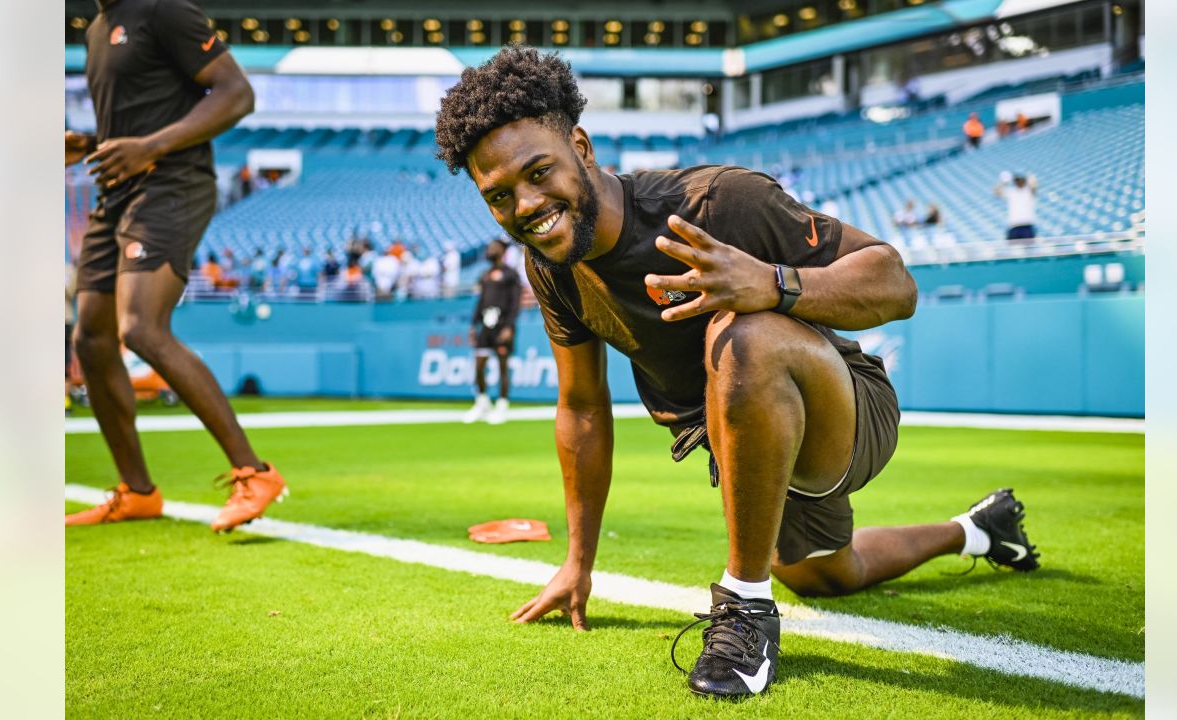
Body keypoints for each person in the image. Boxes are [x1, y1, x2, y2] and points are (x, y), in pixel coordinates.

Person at [435, 47, 1040, 700]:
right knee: (828, 575)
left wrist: (772, 284)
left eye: (537, 172)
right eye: (499, 197)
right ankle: (979, 529)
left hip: (843, 403)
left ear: (580, 145)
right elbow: (582, 408)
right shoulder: (552, 266)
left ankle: (746, 607)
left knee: (741, 329)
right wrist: (578, 563)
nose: (525, 204)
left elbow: (896, 284)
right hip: (745, 438)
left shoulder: (717, 201)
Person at [63, 0, 286, 531]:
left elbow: (238, 93)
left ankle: (254, 471)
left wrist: (151, 147)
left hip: (172, 182)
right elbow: (145, 114)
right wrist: (94, 144)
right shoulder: (96, 28)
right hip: (118, 189)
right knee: (90, 338)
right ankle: (137, 492)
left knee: (139, 327)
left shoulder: (162, 10)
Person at [462, 239, 523, 425]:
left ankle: (502, 406)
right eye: (489, 248)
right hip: (485, 328)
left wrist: (508, 327)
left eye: (493, 247)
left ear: (503, 250)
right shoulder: (485, 275)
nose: (490, 250)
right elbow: (481, 302)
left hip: (502, 326)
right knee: (479, 366)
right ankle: (482, 403)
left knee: (503, 367)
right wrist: (473, 325)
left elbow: (515, 303)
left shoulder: (511, 274)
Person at [995, 171, 1038, 242]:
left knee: (1029, 250)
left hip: (1027, 225)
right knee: (1011, 250)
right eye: (1016, 180)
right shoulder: (1011, 192)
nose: (1018, 181)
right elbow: (996, 192)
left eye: (1020, 179)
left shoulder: (1029, 191)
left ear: (1024, 180)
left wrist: (1030, 177)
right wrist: (1002, 182)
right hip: (1014, 226)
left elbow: (1034, 185)